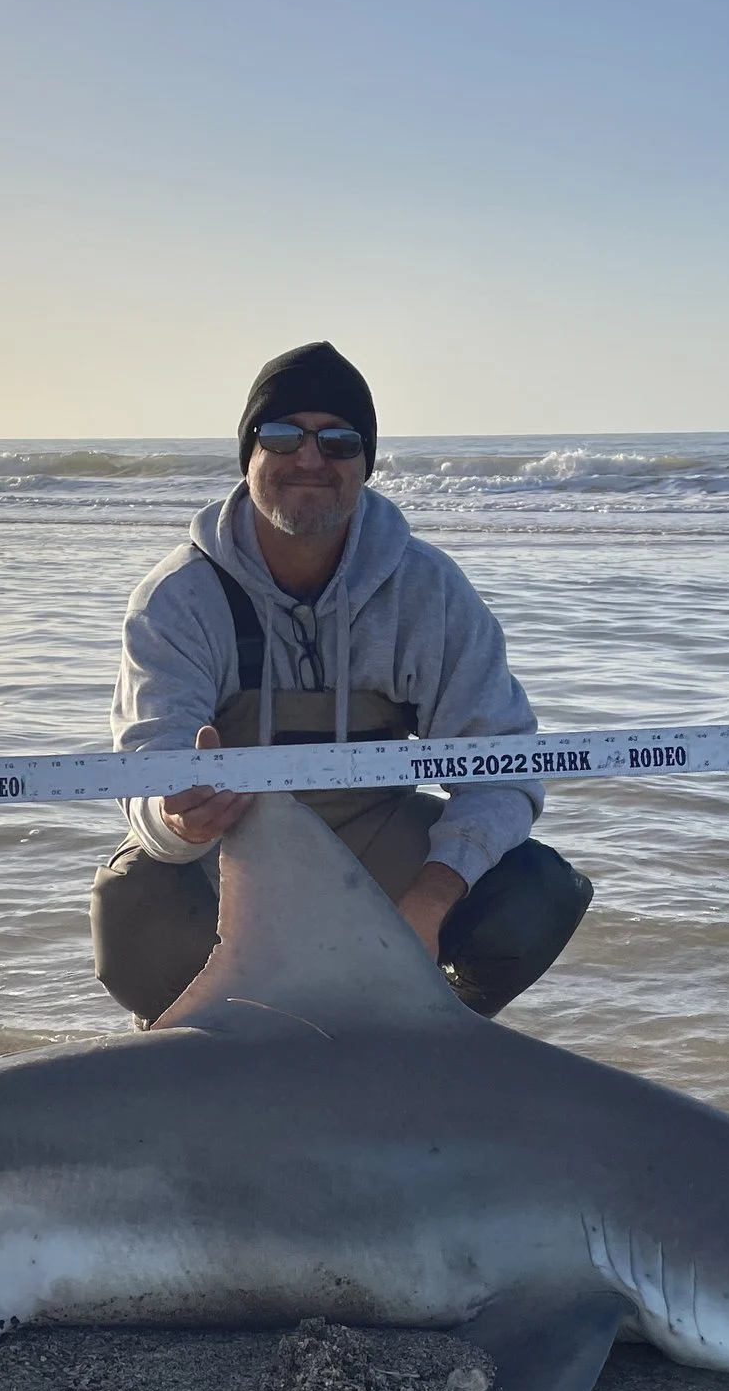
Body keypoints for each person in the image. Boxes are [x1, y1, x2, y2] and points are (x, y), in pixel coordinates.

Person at [91, 341, 592, 1025]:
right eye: (282, 435)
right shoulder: (178, 597)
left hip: (379, 843)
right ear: (250, 453)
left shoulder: (428, 591)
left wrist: (430, 900)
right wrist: (176, 817)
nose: (309, 458)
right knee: (130, 902)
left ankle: (413, 1033)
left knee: (538, 891)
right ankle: (212, 1040)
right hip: (232, 848)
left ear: (365, 463)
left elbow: (503, 768)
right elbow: (145, 772)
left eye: (338, 440)